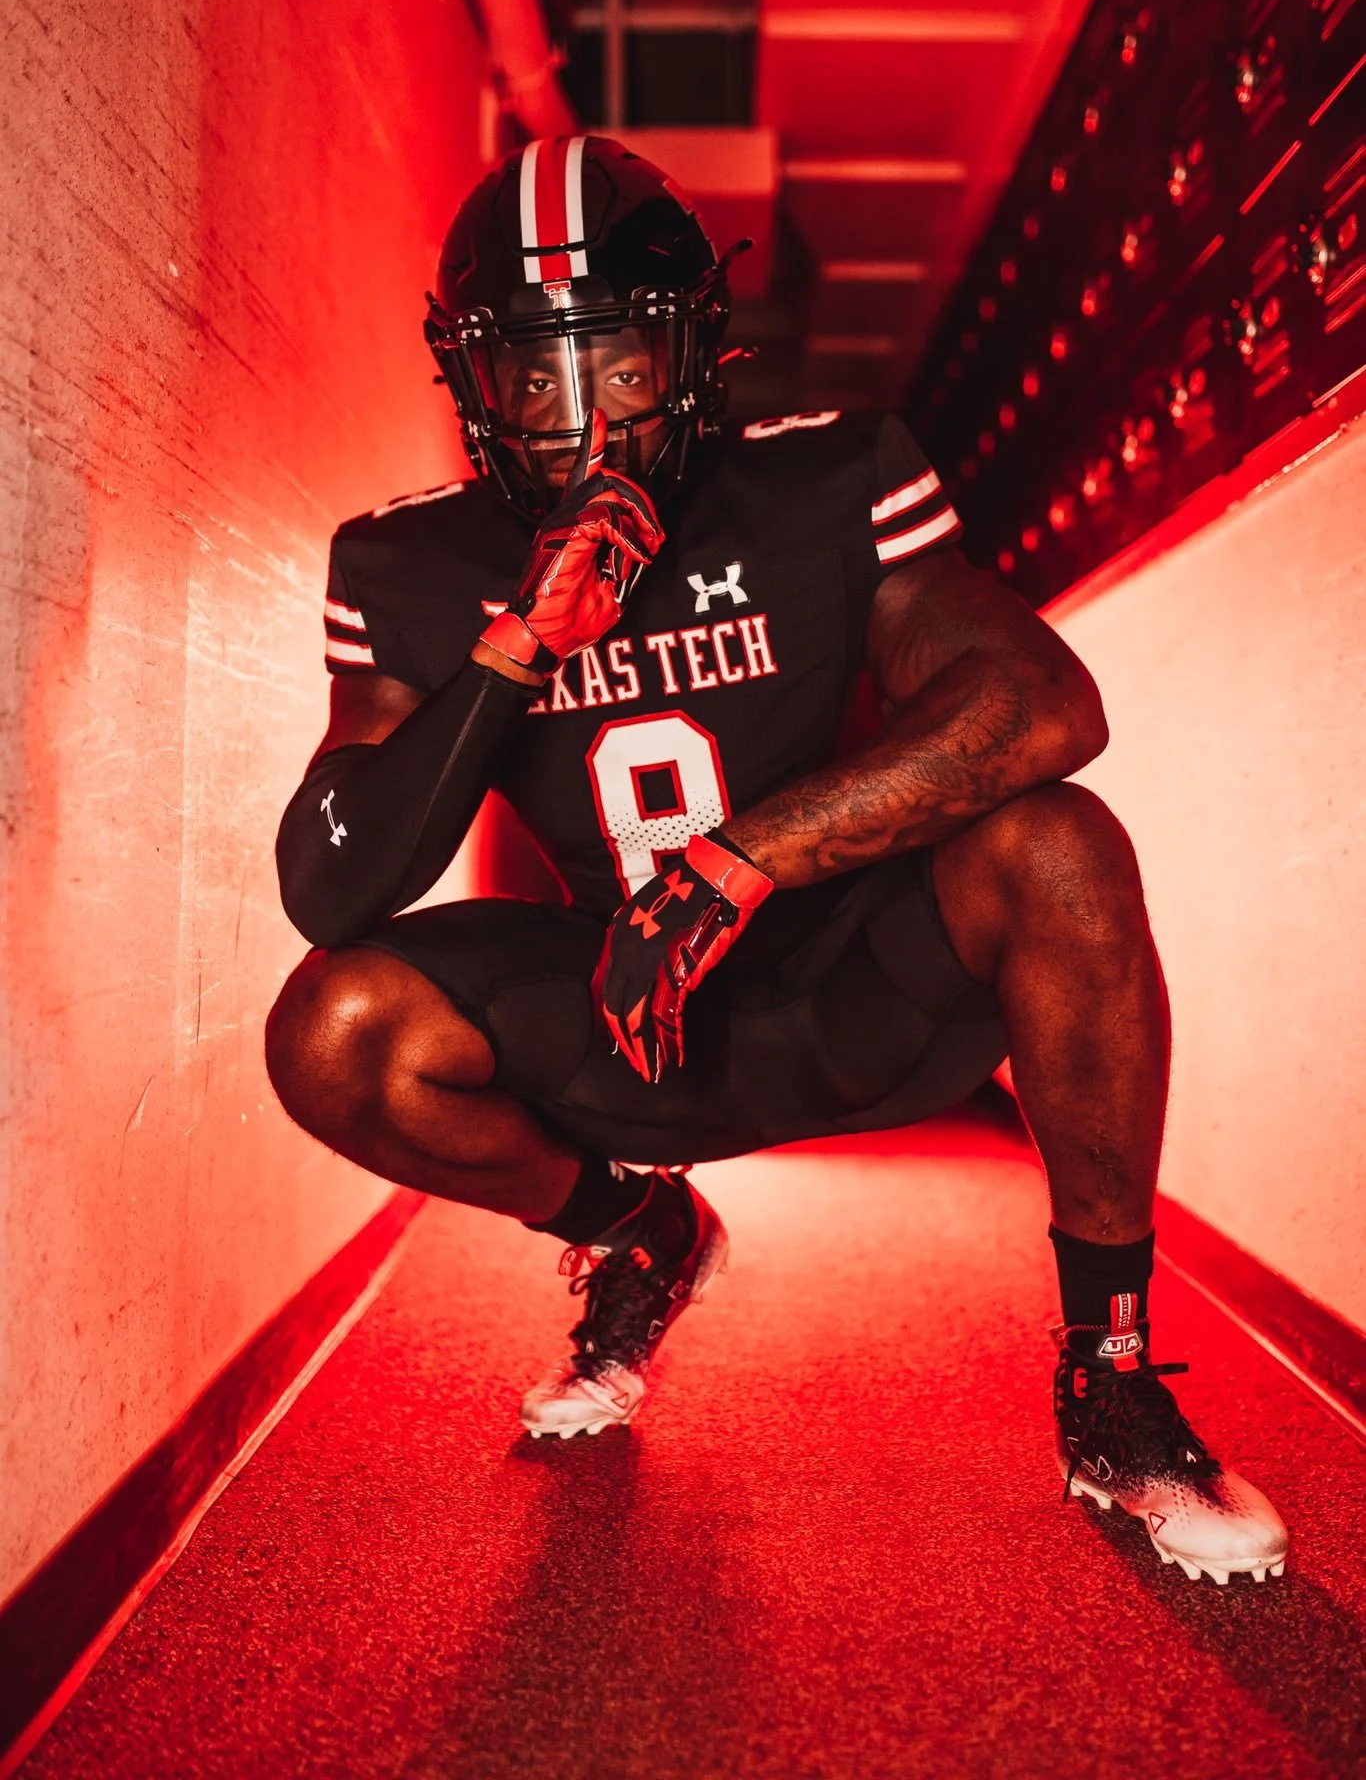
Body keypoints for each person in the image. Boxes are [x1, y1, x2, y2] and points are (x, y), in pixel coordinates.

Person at [265, 134, 1286, 1586]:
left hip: (835, 977)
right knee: (333, 1026)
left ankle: (1111, 1380)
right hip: (625, 1017)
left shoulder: (825, 478)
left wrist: (742, 858)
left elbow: (1042, 704)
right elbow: (332, 888)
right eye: (529, 373)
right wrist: (518, 641)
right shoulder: (403, 563)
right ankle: (641, 1234)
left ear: (688, 354)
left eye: (614, 360)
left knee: (1059, 843)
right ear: (471, 383)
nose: (574, 419)